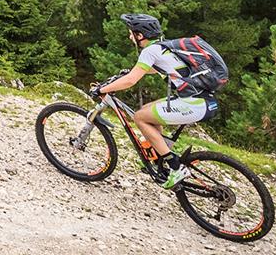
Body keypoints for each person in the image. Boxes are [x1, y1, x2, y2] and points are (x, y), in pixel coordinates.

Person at [92, 13, 215, 188]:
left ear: (139, 35)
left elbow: (130, 81)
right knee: (148, 108)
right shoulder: (162, 47)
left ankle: (175, 166)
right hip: (203, 101)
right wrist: (130, 71)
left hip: (195, 104)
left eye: (130, 32)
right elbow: (153, 69)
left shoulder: (150, 51)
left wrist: (101, 90)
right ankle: (159, 156)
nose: (129, 36)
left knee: (140, 117)